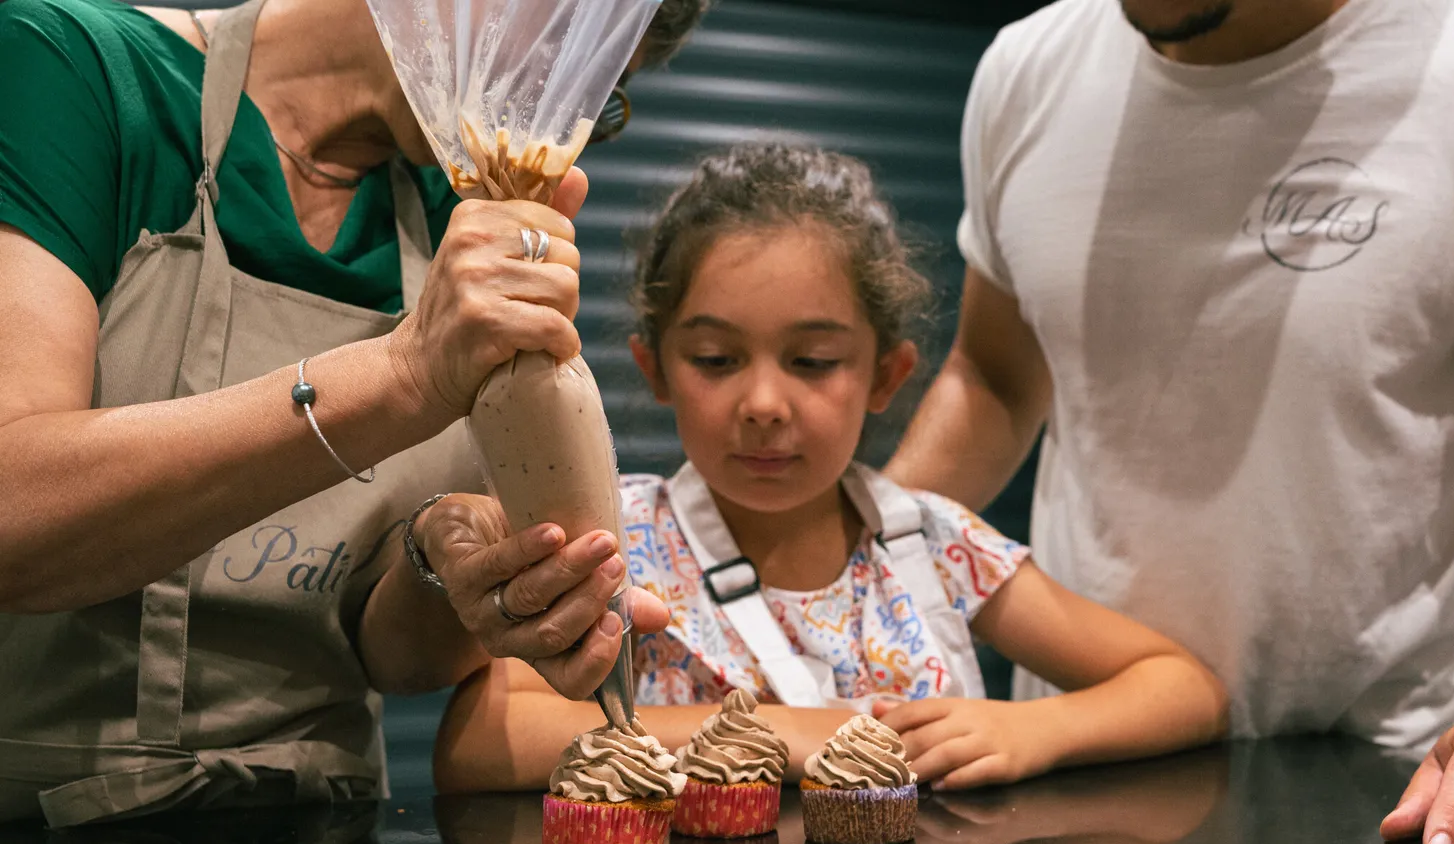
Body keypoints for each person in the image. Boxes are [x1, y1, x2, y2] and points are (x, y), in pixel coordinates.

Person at [883, 0, 1454, 844]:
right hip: (1076, 775)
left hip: (1376, 807)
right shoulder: (1027, 69)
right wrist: (837, 554)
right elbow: (994, 378)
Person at [0, 0, 711, 824]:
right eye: (563, 45)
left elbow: (390, 658)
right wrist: (402, 376)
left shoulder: (458, 215)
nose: (563, 113)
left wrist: (439, 564)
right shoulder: (76, 74)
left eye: (599, 87)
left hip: (321, 835)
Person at [435, 143, 1229, 793]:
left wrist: (1035, 729)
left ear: (885, 376)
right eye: (715, 359)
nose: (765, 403)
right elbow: (480, 742)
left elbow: (1185, 687)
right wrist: (773, 732)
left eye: (813, 361)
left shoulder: (936, 545)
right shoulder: (613, 540)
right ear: (655, 368)